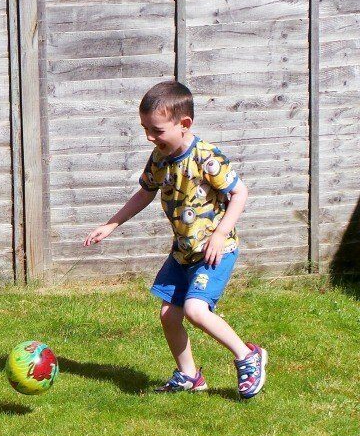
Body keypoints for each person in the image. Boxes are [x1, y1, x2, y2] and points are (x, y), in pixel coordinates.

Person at [83, 80, 267, 399]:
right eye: (145, 129)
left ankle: (247, 355)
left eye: (156, 130)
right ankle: (189, 375)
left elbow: (239, 192)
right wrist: (112, 224)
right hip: (182, 253)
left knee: (195, 311)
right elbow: (145, 191)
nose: (150, 137)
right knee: (168, 315)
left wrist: (220, 234)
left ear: (184, 125)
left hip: (215, 251)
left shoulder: (206, 156)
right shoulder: (159, 157)